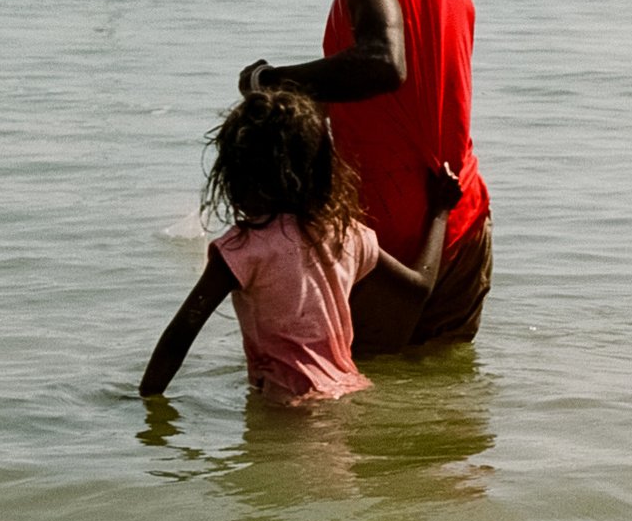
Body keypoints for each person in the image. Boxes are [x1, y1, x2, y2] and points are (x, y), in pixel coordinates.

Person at [235, 0, 491, 355]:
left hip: (385, 241)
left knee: (353, 412)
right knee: (438, 408)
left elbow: (382, 63)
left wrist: (267, 81)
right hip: (461, 219)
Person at [140, 82, 463, 405]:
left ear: (236, 176)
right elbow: (419, 285)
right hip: (350, 389)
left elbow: (180, 335)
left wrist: (146, 404)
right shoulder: (347, 234)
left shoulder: (241, 250)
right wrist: (439, 213)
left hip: (291, 404)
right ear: (321, 171)